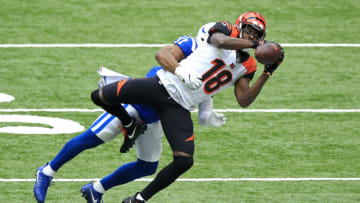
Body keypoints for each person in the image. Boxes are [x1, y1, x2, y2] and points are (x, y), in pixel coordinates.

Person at [90, 11, 284, 202]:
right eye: (250, 30)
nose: (252, 36)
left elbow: (244, 99)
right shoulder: (225, 28)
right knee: (99, 96)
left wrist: (266, 74)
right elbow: (219, 41)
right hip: (161, 85)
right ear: (240, 26)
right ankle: (128, 123)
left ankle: (139, 199)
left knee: (184, 160)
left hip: (179, 106)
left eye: (257, 35)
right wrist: (255, 44)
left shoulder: (249, 65)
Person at [33, 35, 225, 203]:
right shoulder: (191, 45)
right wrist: (181, 72)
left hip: (157, 117)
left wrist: (208, 115)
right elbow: (162, 57)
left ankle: (96, 189)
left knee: (147, 166)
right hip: (137, 103)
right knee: (92, 138)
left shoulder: (217, 67)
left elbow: (204, 97)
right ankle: (47, 171)